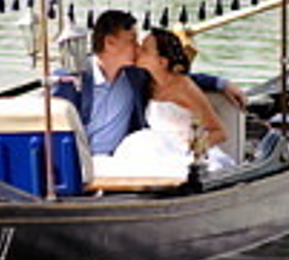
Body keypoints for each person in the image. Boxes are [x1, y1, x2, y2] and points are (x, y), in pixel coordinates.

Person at [53, 10, 241, 157]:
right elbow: (53, 132)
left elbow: (175, 77)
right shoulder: (71, 79)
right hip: (82, 162)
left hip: (124, 159)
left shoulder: (136, 74)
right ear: (110, 42)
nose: (138, 48)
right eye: (132, 41)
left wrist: (221, 83)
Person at [91, 28, 235, 180]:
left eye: (145, 49)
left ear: (161, 61)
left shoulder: (184, 87)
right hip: (151, 147)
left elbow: (219, 132)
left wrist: (191, 149)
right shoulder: (146, 80)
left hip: (180, 150)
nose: (138, 50)